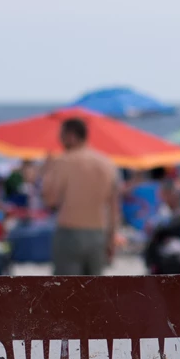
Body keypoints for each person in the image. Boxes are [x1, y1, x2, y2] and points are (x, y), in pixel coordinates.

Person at [40, 117, 120, 276]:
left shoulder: (65, 161)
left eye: (61, 136)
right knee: (94, 291)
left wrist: (47, 171)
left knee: (66, 291)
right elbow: (114, 207)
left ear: (71, 136)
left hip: (70, 232)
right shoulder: (106, 163)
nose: (60, 141)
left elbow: (50, 200)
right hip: (98, 233)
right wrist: (111, 239)